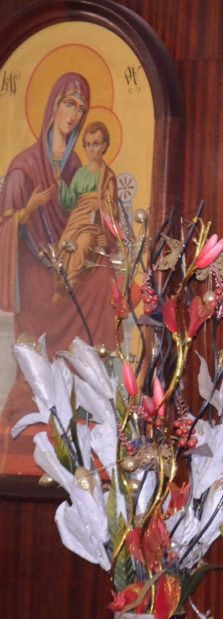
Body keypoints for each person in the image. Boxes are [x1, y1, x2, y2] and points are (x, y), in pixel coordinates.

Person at [0, 72, 116, 426]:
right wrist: (32, 207)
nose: (75, 114)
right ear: (53, 106)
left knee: (102, 279)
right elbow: (6, 225)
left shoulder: (78, 165)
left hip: (69, 256)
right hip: (35, 266)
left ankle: (90, 392)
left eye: (81, 108)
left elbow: (83, 213)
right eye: (69, 103)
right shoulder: (24, 166)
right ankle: (36, 396)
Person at [54, 120, 118, 294]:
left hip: (94, 225)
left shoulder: (107, 176)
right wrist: (60, 183)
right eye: (88, 145)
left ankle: (71, 284)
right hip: (77, 220)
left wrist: (100, 204)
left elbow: (113, 210)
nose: (91, 149)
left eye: (96, 144)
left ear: (104, 146)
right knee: (64, 246)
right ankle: (62, 284)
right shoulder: (80, 174)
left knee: (82, 244)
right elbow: (70, 202)